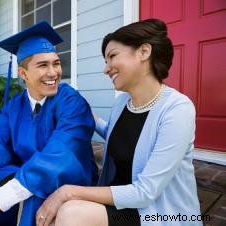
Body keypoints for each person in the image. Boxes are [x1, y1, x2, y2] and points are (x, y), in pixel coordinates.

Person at [36, 18, 202, 226]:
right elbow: (122, 136)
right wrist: (82, 113)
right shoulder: (123, 101)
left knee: (70, 213)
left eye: (112, 56)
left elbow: (145, 192)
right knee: (54, 215)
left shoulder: (177, 109)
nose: (106, 69)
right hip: (122, 201)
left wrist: (67, 192)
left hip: (156, 212)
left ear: (144, 52)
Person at [0, 21, 98, 226]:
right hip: (28, 172)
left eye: (56, 63)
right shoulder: (13, 107)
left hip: (68, 180)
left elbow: (60, 155)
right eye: (43, 65)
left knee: (31, 194)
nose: (54, 73)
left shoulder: (71, 102)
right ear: (23, 74)